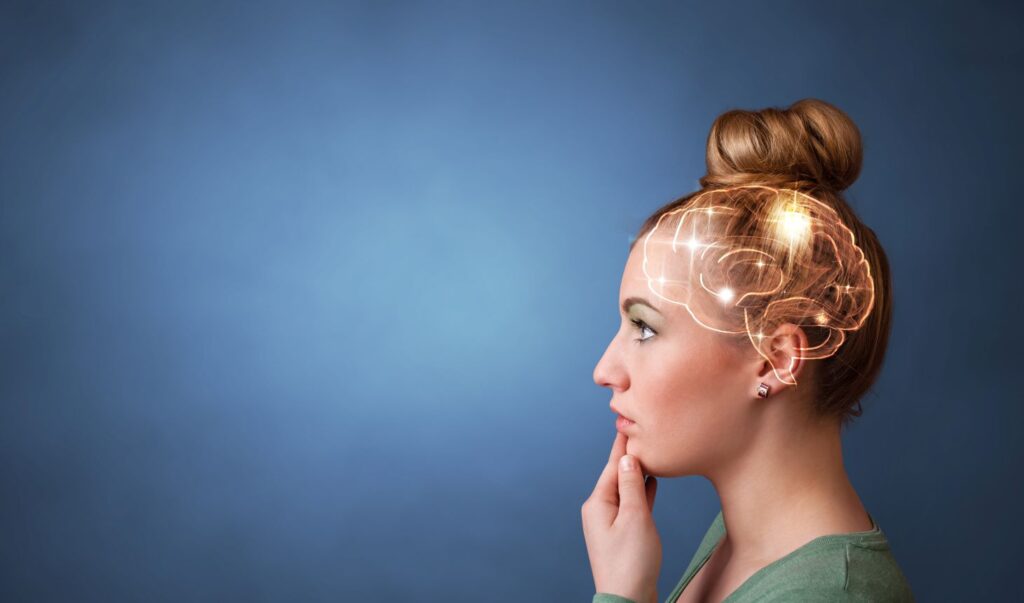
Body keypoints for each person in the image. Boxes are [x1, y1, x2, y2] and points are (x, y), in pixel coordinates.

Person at [581, 98, 914, 603]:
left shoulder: (827, 597)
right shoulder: (743, 539)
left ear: (776, 359)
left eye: (644, 328)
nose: (604, 370)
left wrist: (621, 596)